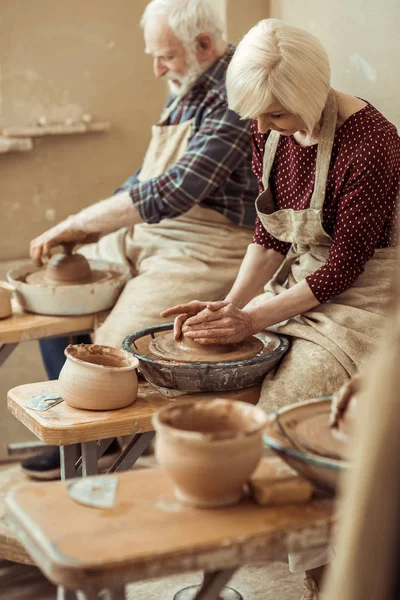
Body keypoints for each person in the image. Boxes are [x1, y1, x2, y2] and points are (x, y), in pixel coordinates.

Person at [162, 18, 400, 600]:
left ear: (311, 94)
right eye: (257, 115)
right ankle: (240, 548)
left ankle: (327, 575)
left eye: (276, 115)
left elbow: (342, 270)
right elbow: (271, 236)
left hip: (369, 302)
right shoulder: (266, 127)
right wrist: (230, 305)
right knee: (214, 366)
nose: (263, 127)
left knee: (289, 405)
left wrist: (255, 319)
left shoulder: (373, 145)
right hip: (301, 286)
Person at [23, 0, 258, 479]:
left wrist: (84, 222)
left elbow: (175, 189)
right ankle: (90, 430)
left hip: (209, 242)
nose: (156, 70)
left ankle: (101, 440)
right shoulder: (188, 80)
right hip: (156, 226)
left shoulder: (238, 94)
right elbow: (148, 176)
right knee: (59, 293)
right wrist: (91, 223)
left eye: (165, 57)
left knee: (110, 352)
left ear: (205, 45)